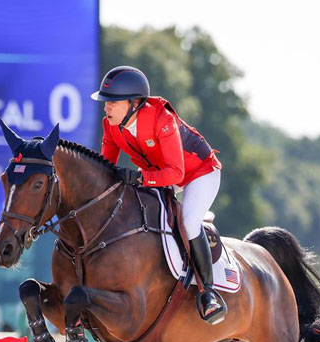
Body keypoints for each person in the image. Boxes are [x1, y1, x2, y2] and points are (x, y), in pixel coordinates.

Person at [91, 65, 226, 325]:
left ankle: (208, 292)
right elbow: (106, 165)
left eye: (112, 103)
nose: (106, 108)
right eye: (105, 102)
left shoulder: (161, 120)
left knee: (188, 221)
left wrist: (140, 177)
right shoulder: (111, 125)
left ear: (134, 103)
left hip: (199, 173)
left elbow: (176, 174)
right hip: (158, 173)